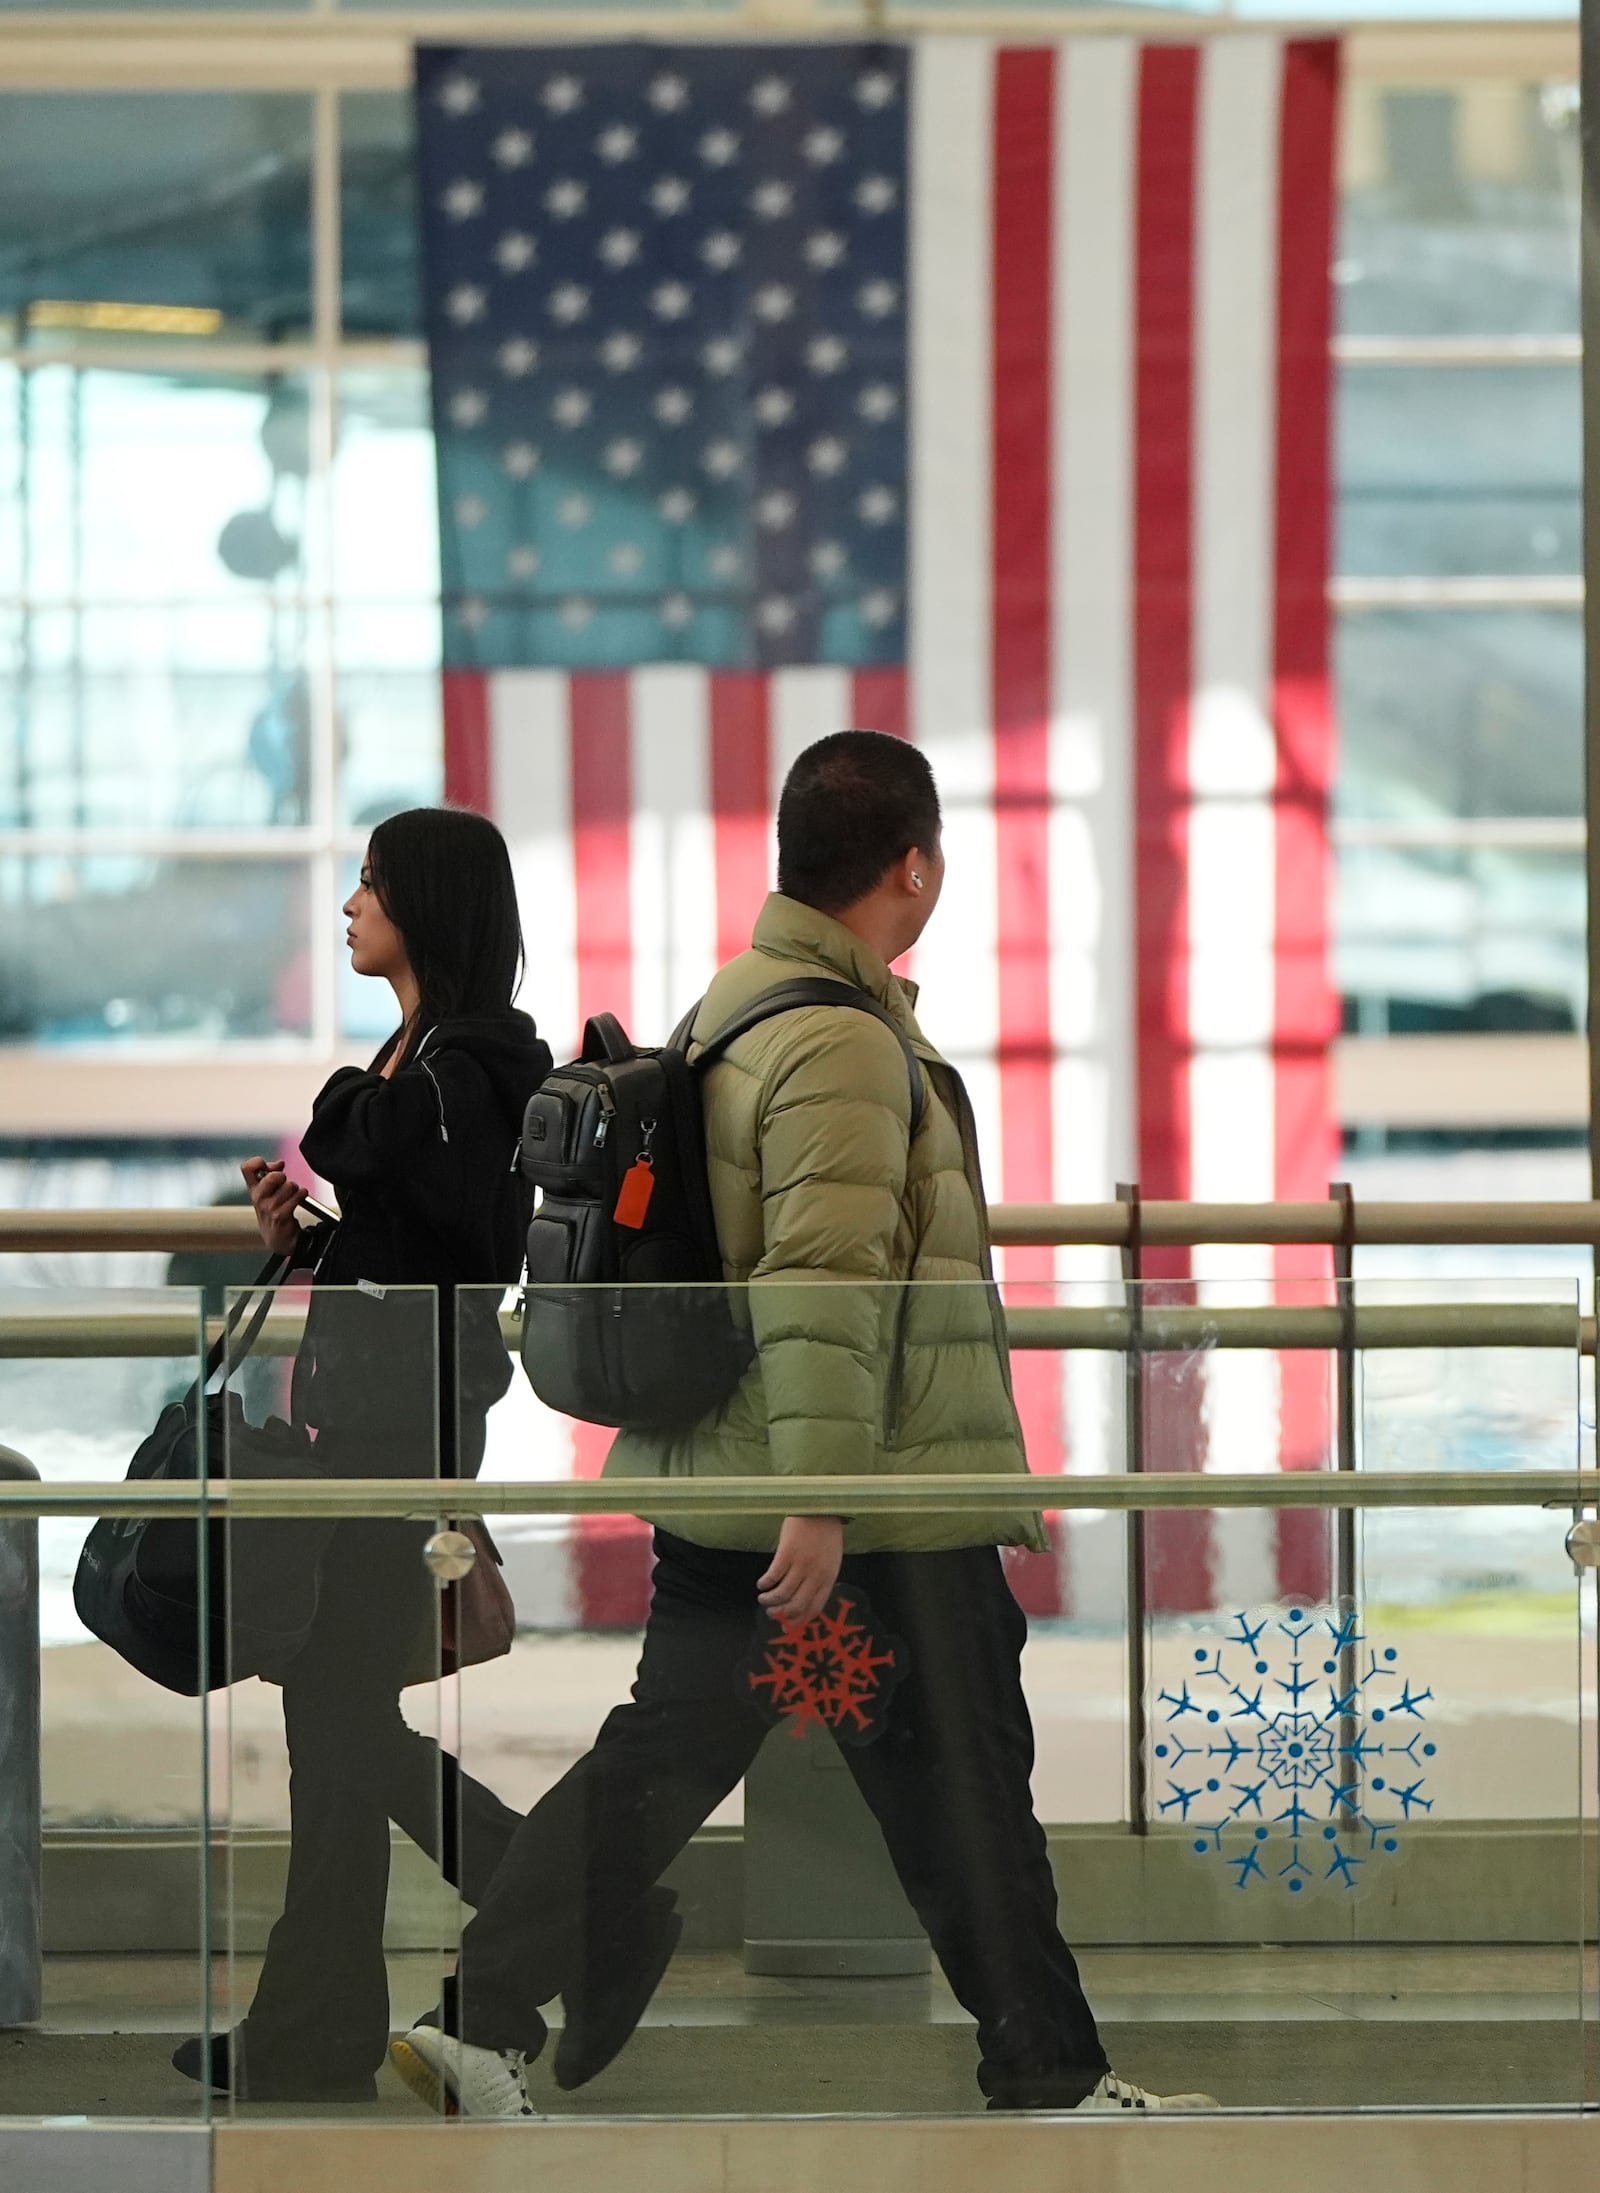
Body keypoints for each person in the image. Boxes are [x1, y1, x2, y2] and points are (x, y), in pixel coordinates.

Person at [392, 734, 1215, 2117]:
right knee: (960, 1784)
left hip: (765, 1487)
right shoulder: (837, 1037)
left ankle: (482, 2020)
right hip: (859, 1505)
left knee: (695, 1767)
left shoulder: (749, 1001)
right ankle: (1047, 2071)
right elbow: (826, 1285)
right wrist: (826, 1493)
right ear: (913, 863)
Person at [173, 806, 550, 2103]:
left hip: (401, 1445)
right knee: (334, 1728)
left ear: (424, 911)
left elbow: (359, 1141)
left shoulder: (468, 1066)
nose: (348, 906)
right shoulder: (425, 1059)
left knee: (333, 1718)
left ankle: (558, 1895)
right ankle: (313, 2032)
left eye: (371, 886)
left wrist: (346, 1135)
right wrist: (314, 1241)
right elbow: (406, 1237)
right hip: (377, 1428)